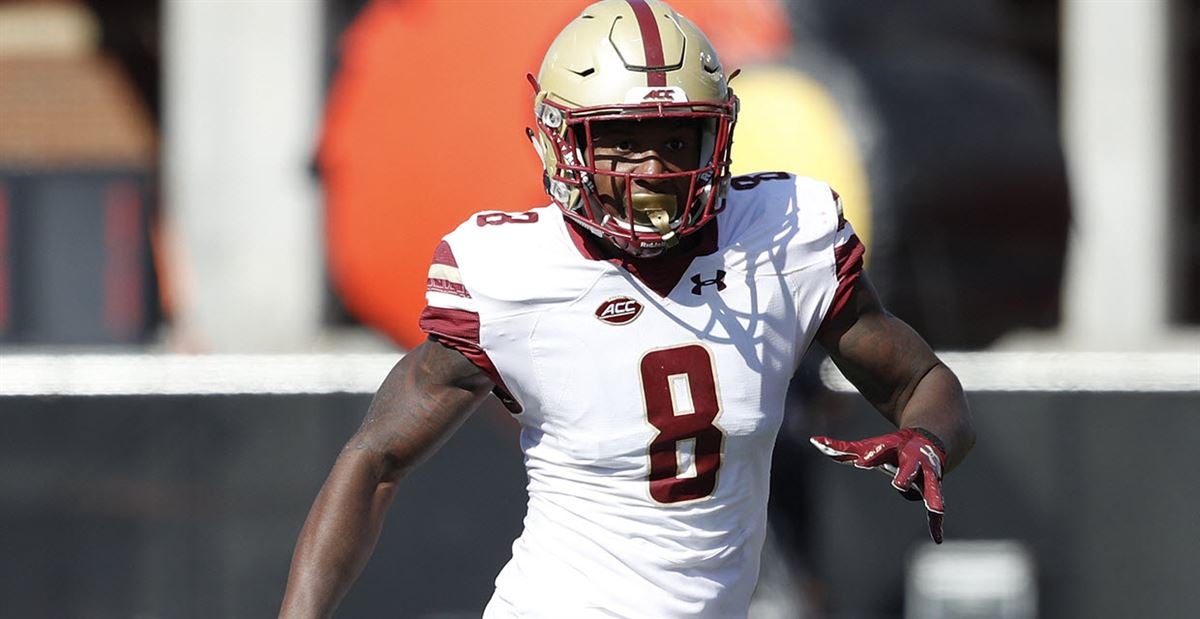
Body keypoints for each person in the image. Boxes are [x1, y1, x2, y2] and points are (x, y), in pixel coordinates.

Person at [279, 0, 975, 617]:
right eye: (622, 140)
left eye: (677, 138)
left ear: (719, 135)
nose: (653, 168)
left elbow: (922, 384)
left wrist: (931, 439)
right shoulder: (514, 272)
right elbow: (375, 459)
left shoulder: (786, 234)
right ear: (559, 141)